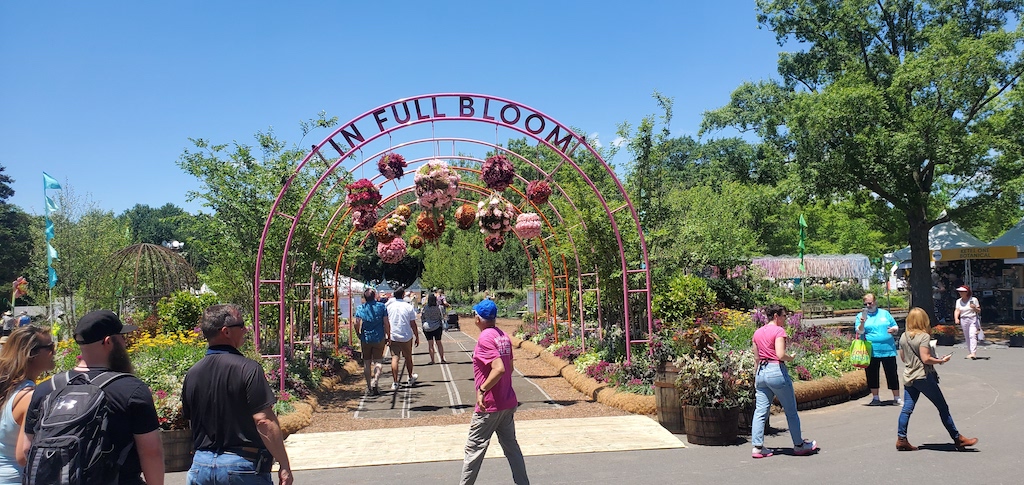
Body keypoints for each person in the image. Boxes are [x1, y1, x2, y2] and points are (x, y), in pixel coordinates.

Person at [21, 310, 165, 485]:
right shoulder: (131, 390)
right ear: (109, 341)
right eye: (122, 337)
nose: (125, 343)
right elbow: (151, 452)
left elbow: (26, 450)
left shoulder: (46, 389)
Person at [182, 304, 293, 485]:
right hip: (241, 467)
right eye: (241, 325)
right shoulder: (248, 369)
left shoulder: (192, 373)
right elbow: (263, 421)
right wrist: (284, 464)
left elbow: (191, 422)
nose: (245, 329)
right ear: (225, 331)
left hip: (200, 466)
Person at [460, 299, 529, 484]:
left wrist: (483, 389)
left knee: (473, 450)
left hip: (490, 405)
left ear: (478, 318)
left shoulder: (485, 338)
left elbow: (499, 368)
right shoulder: (502, 336)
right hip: (506, 401)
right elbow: (510, 366)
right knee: (511, 448)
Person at [896, 307, 978, 451]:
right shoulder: (924, 337)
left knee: (907, 408)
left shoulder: (903, 336)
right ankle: (957, 438)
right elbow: (926, 359)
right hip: (923, 376)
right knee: (942, 407)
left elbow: (903, 358)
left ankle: (901, 438)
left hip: (909, 376)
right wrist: (941, 360)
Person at [749, 304, 818, 459]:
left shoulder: (757, 332)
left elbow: (756, 358)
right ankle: (799, 445)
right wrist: (791, 357)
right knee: (791, 411)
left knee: (760, 411)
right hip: (776, 370)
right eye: (784, 316)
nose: (786, 318)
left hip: (761, 372)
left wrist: (756, 376)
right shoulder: (779, 331)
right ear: (776, 316)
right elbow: (780, 354)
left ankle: (757, 447)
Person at [0, 327, 55, 484]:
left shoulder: (6, 389)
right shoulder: (29, 397)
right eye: (50, 347)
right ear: (31, 354)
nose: (54, 352)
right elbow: (23, 454)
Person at [856, 293, 901, 405]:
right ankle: (875, 397)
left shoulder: (884, 313)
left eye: (870, 303)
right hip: (871, 350)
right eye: (865, 303)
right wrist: (862, 323)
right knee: (872, 374)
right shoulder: (860, 316)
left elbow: (895, 326)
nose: (868, 305)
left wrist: (894, 329)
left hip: (888, 349)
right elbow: (859, 332)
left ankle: (897, 397)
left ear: (875, 302)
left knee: (892, 373)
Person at [354, 288, 390, 395]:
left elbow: (356, 323)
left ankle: (369, 386)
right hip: (379, 337)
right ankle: (376, 381)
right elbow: (386, 323)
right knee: (378, 361)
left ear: (364, 297)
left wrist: (358, 333)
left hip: (366, 338)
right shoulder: (381, 307)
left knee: (367, 362)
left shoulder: (361, 308)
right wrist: (389, 335)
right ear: (374, 296)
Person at [385, 287, 419, 390]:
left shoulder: (389, 307)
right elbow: (413, 324)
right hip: (406, 336)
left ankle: (395, 382)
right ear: (403, 294)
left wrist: (387, 335)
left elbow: (385, 321)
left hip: (393, 335)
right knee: (408, 357)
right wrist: (417, 336)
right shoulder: (408, 307)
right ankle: (410, 377)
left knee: (395, 358)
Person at [953, 285, 982, 360]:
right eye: (960, 291)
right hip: (963, 319)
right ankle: (970, 352)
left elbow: (979, 310)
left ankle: (973, 353)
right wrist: (956, 318)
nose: (960, 293)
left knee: (972, 335)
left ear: (967, 292)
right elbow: (957, 310)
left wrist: (974, 308)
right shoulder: (958, 301)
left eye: (962, 292)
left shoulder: (973, 299)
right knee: (967, 336)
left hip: (972, 318)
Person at [420, 294, 446, 364]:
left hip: (427, 327)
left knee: (430, 344)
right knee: (439, 343)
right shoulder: (439, 307)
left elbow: (422, 317)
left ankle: (432, 360)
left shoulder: (425, 308)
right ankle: (442, 359)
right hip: (437, 326)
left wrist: (423, 324)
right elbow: (442, 316)